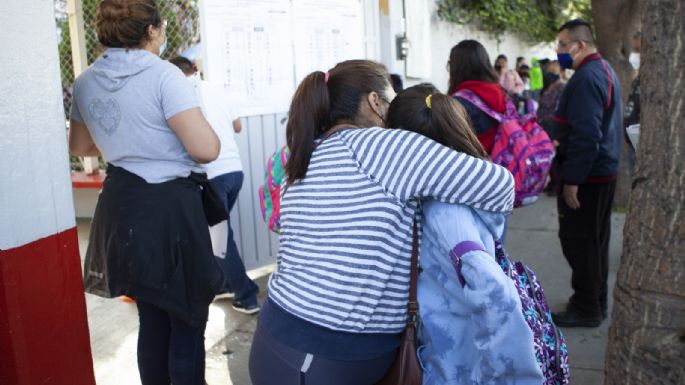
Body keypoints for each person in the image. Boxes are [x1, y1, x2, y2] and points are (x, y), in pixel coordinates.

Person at [248, 60, 515, 385]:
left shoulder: (305, 154)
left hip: (276, 333)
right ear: (375, 102)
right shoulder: (386, 146)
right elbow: (500, 187)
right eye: (392, 99)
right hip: (325, 357)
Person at [69, 1, 223, 384]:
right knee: (187, 320)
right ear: (152, 30)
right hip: (169, 208)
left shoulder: (86, 80)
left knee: (152, 318)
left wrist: (126, 141)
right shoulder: (165, 76)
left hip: (122, 204)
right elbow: (206, 149)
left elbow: (81, 147)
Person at [386, 84, 542, 385]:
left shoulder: (445, 213)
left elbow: (495, 293)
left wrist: (515, 378)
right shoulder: (464, 192)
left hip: (461, 367)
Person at [170, 56, 260, 315]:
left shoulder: (181, 95)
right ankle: (225, 285)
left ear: (175, 75)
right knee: (217, 234)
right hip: (234, 172)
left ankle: (247, 295)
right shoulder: (213, 88)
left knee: (220, 237)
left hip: (212, 176)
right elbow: (238, 126)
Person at [551, 19, 622, 328]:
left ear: (579, 46)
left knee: (580, 242)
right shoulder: (600, 70)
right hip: (600, 172)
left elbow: (586, 134)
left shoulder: (586, 78)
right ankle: (595, 301)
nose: (559, 52)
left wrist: (573, 181)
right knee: (594, 242)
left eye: (562, 45)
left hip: (589, 177)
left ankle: (586, 307)